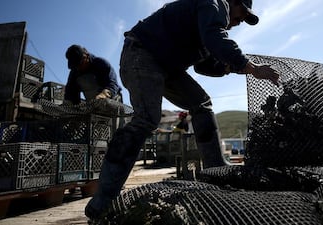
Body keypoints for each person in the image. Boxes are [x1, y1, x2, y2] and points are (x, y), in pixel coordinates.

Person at [85, 0, 279, 220]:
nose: (240, 21)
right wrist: (250, 67)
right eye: (242, 13)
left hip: (167, 66)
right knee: (147, 119)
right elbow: (215, 39)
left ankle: (215, 171)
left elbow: (203, 65)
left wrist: (229, 67)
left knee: (201, 103)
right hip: (142, 52)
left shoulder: (208, 22)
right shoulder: (215, 5)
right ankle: (104, 198)